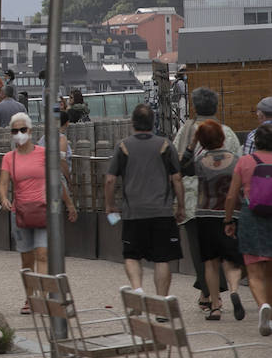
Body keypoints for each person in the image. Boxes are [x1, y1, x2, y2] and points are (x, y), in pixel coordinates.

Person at [0, 112, 78, 313]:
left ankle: (41, 297)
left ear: (30, 131)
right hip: (21, 212)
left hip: (44, 211)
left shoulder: (43, 153)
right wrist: (4, 198)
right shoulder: (9, 158)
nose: (19, 134)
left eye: (22, 130)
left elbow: (56, 181)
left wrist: (69, 204)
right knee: (26, 259)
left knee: (42, 254)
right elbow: (4, 183)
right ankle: (29, 296)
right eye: (14, 131)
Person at [104, 103, 184, 298]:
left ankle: (137, 288)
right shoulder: (165, 145)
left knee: (131, 255)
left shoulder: (123, 146)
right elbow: (177, 178)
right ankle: (162, 302)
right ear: (153, 122)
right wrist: (180, 206)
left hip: (133, 212)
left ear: (133, 123)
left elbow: (109, 179)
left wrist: (110, 205)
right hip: (162, 212)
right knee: (162, 259)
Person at [175, 87, 242, 312]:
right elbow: (239, 164)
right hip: (225, 202)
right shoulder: (227, 132)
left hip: (195, 201)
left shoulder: (185, 131)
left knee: (200, 251)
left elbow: (178, 163)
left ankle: (209, 295)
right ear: (215, 106)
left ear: (194, 107)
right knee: (227, 249)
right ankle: (227, 289)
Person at [224, 122, 272, 335]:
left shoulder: (245, 161)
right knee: (270, 272)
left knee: (254, 271)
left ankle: (262, 306)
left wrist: (228, 221)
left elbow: (231, 195)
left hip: (251, 217)